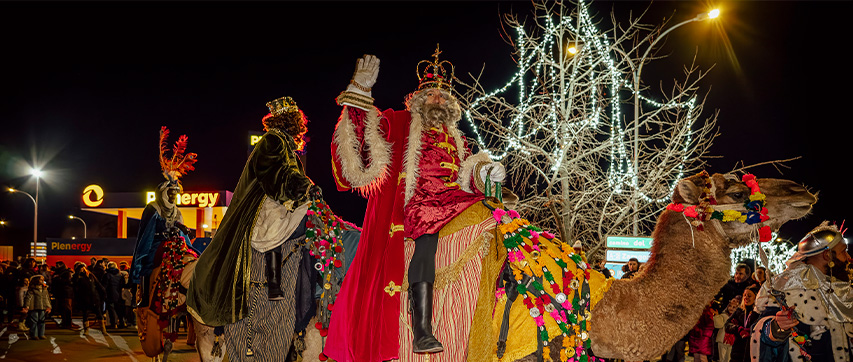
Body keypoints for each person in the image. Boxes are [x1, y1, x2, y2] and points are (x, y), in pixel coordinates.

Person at [324, 51, 506, 361]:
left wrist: (484, 172)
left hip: (453, 200)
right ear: (418, 98)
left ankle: (494, 307)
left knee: (496, 219)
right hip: (417, 207)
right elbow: (360, 153)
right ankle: (422, 330)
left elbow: (466, 178)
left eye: (442, 94)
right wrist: (358, 98)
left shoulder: (458, 139)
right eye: (431, 93)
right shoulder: (398, 122)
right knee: (428, 240)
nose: (437, 98)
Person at [187, 96, 319, 361]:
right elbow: (277, 176)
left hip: (279, 206)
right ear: (292, 122)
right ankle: (272, 286)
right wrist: (304, 187)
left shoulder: (286, 146)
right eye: (296, 121)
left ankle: (287, 291)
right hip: (264, 212)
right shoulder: (273, 141)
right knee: (288, 229)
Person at [752, 222, 852, 361]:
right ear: (827, 255)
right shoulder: (786, 287)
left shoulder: (842, 287)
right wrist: (777, 327)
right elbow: (761, 330)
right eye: (843, 251)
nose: (849, 258)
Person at [130, 126, 196, 308]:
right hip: (157, 244)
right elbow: (146, 235)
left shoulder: (178, 211)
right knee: (148, 264)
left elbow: (182, 232)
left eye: (176, 194)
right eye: (171, 193)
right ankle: (144, 296)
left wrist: (185, 234)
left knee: (194, 258)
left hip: (177, 243)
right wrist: (142, 256)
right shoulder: (153, 208)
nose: (174, 197)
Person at [724, 284, 759, 362]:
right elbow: (727, 325)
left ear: (756, 298)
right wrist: (738, 329)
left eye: (749, 296)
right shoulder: (739, 311)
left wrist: (750, 331)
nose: (746, 297)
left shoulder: (758, 314)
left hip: (752, 352)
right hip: (737, 352)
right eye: (744, 295)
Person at [73, 264, 106, 334]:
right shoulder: (78, 277)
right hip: (84, 297)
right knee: (85, 314)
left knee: (99, 313)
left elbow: (98, 284)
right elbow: (75, 284)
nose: (83, 269)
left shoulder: (91, 276)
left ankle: (103, 329)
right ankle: (86, 329)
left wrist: (103, 293)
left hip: (94, 297)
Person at [23, 275, 50, 340]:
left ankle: (41, 334)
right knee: (34, 320)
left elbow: (47, 298)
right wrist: (26, 306)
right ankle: (34, 335)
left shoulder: (44, 289)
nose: (43, 281)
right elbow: (28, 298)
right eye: (41, 280)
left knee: (42, 321)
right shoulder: (32, 289)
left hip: (42, 307)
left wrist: (48, 306)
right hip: (34, 307)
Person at [51, 264, 76, 329]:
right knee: (64, 309)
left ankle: (67, 323)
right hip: (64, 292)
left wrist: (57, 278)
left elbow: (67, 281)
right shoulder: (62, 273)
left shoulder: (65, 273)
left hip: (65, 293)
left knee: (66, 308)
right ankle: (65, 322)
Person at [101, 261, 125, 329]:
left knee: (111, 309)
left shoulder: (107, 275)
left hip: (109, 294)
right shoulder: (119, 275)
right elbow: (122, 285)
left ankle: (113, 323)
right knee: (118, 309)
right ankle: (121, 322)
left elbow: (104, 285)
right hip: (118, 294)